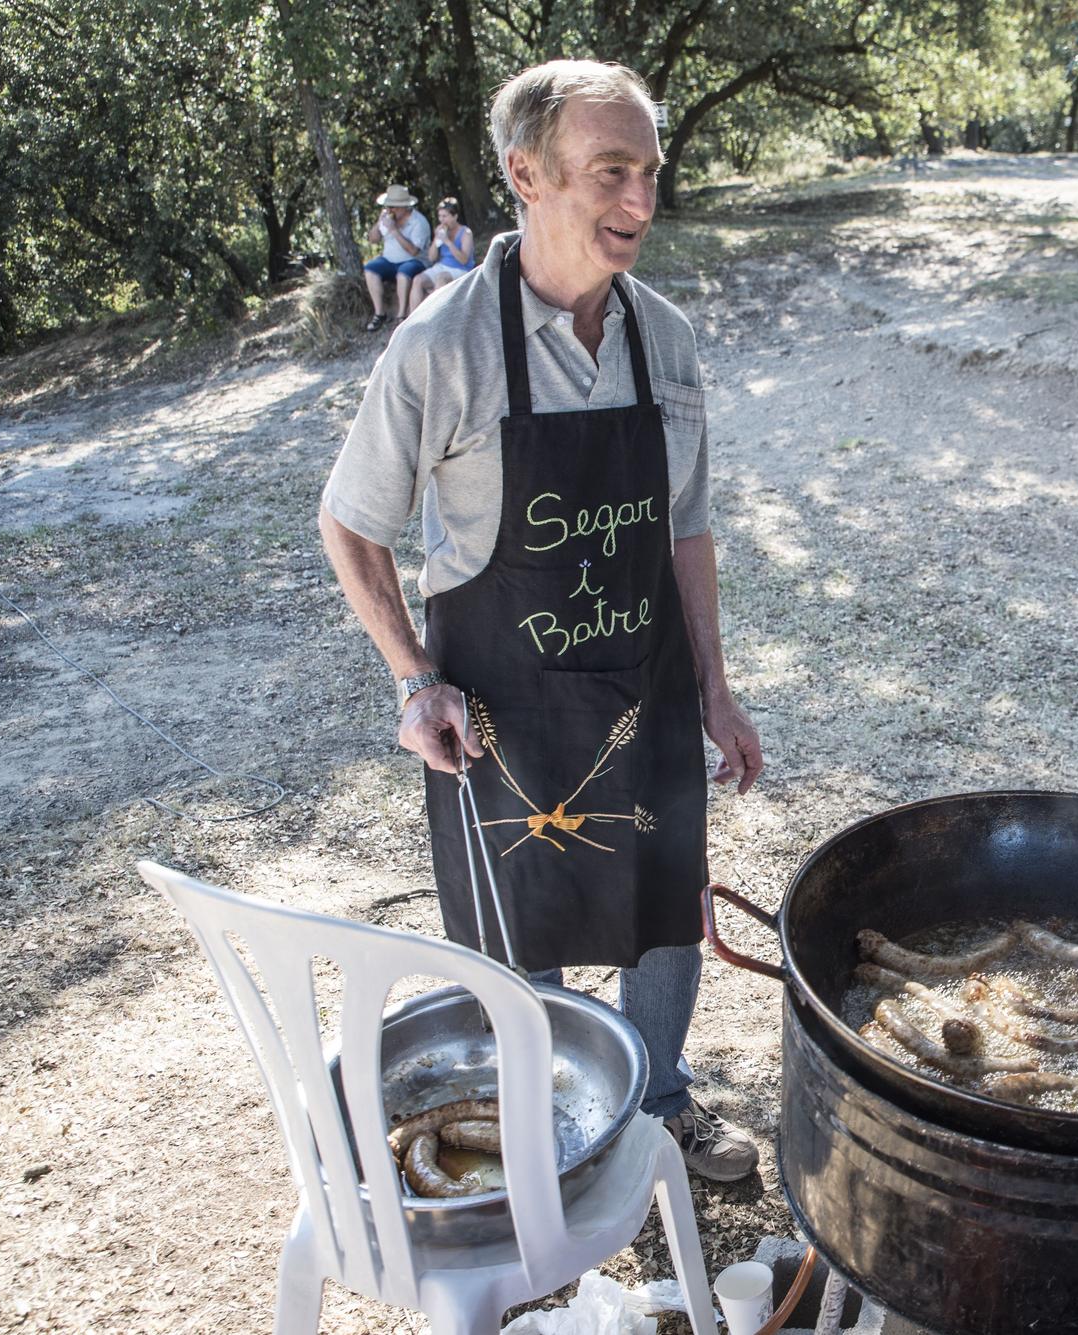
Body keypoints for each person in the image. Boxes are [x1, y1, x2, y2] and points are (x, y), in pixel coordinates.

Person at [319, 59, 766, 1182]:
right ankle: (557, 1132)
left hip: (646, 689)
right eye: (610, 172)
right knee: (525, 935)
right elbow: (351, 525)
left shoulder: (665, 340)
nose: (639, 202)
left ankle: (658, 1104)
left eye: (651, 173)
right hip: (499, 708)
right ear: (525, 174)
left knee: (663, 913)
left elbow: (687, 528)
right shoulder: (440, 346)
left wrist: (715, 688)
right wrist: (413, 679)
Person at [362, 185, 432, 331]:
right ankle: (379, 313)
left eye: (393, 207)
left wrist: (394, 230)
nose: (390, 210)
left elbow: (413, 251)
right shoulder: (387, 218)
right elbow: (373, 239)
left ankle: (402, 316)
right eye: (388, 207)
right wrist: (378, 223)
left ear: (404, 207)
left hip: (414, 260)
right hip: (389, 260)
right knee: (370, 269)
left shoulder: (419, 222)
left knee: (403, 273)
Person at [408, 196, 476, 314]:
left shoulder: (466, 233)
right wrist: (436, 240)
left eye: (445, 216)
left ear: (455, 216)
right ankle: (412, 319)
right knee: (417, 279)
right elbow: (431, 258)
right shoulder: (441, 231)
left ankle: (433, 316)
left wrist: (448, 242)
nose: (442, 220)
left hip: (461, 269)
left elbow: (464, 260)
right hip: (442, 265)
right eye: (440, 216)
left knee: (441, 278)